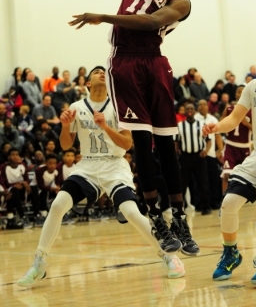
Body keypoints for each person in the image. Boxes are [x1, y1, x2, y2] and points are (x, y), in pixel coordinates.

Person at [68, 0, 199, 255]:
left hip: (153, 62)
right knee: (142, 143)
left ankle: (180, 218)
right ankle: (157, 216)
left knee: (167, 146)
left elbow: (149, 22)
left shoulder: (180, 0)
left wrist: (103, 16)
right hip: (124, 62)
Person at [16, 66, 185, 287]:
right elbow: (66, 145)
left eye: (104, 71)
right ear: (86, 83)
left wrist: (104, 126)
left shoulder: (119, 106)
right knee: (58, 205)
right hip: (87, 165)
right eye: (96, 72)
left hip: (114, 165)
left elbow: (126, 144)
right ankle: (39, 262)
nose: (101, 73)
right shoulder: (76, 107)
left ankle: (168, 256)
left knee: (131, 212)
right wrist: (66, 127)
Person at [202, 36, 256, 286]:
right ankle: (231, 252)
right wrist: (216, 127)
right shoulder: (253, 86)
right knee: (229, 202)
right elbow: (234, 119)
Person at [175, 103, 212, 215]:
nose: (189, 110)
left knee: (203, 182)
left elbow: (208, 140)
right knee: (182, 183)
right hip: (185, 157)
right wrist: (177, 151)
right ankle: (180, 208)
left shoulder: (202, 124)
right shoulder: (180, 125)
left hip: (199, 156)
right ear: (185, 112)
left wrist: (206, 150)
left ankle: (205, 207)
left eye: (191, 108)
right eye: (187, 109)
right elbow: (176, 141)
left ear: (195, 111)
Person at [221, 85, 252, 194]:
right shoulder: (229, 108)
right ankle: (224, 200)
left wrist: (246, 123)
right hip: (231, 146)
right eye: (238, 91)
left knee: (245, 177)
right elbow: (221, 124)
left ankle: (243, 198)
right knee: (227, 175)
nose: (240, 93)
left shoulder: (252, 110)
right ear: (235, 94)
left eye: (243, 91)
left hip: (245, 147)